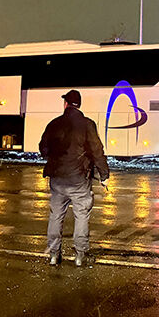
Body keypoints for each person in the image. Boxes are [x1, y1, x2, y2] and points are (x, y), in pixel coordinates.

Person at [39, 89, 109, 267]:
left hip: (58, 179)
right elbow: (97, 151)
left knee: (56, 216)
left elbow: (43, 148)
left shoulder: (54, 124)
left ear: (66, 104)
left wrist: (56, 158)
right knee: (81, 216)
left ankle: (54, 255)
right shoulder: (87, 124)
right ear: (79, 105)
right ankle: (80, 256)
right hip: (79, 179)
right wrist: (104, 175)